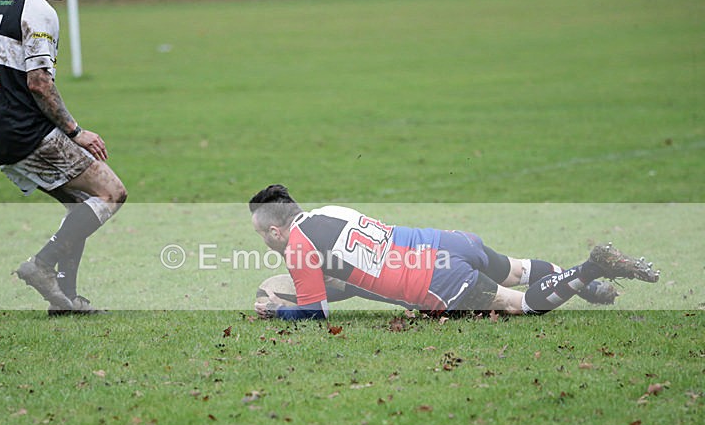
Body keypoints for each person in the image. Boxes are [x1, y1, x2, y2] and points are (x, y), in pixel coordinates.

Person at [249, 185, 659, 320]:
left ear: (273, 229)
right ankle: (584, 281)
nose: (263, 242)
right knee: (516, 269)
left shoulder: (299, 249)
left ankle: (587, 271)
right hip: (448, 241)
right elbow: (353, 272)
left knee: (523, 305)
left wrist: (277, 312)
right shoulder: (328, 211)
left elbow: (313, 313)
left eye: (261, 235)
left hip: (436, 279)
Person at [0, 0, 126, 315]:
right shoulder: (38, 9)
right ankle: (43, 264)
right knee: (111, 193)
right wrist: (76, 132)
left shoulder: (6, 3)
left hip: (1, 131)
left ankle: (65, 300)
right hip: (29, 131)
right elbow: (39, 83)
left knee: (79, 206)